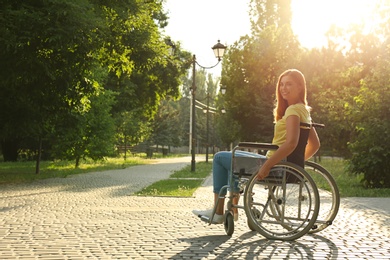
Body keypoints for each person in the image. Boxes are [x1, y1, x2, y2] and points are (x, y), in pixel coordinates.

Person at [192, 69, 321, 224]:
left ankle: (219, 211)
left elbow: (292, 143)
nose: (283, 88)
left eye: (289, 84)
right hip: (280, 164)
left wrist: (268, 165)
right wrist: (296, 164)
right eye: (282, 84)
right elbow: (315, 144)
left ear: (300, 87)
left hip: (275, 166)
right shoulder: (304, 111)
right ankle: (232, 209)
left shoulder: (293, 111)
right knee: (234, 160)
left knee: (220, 158)